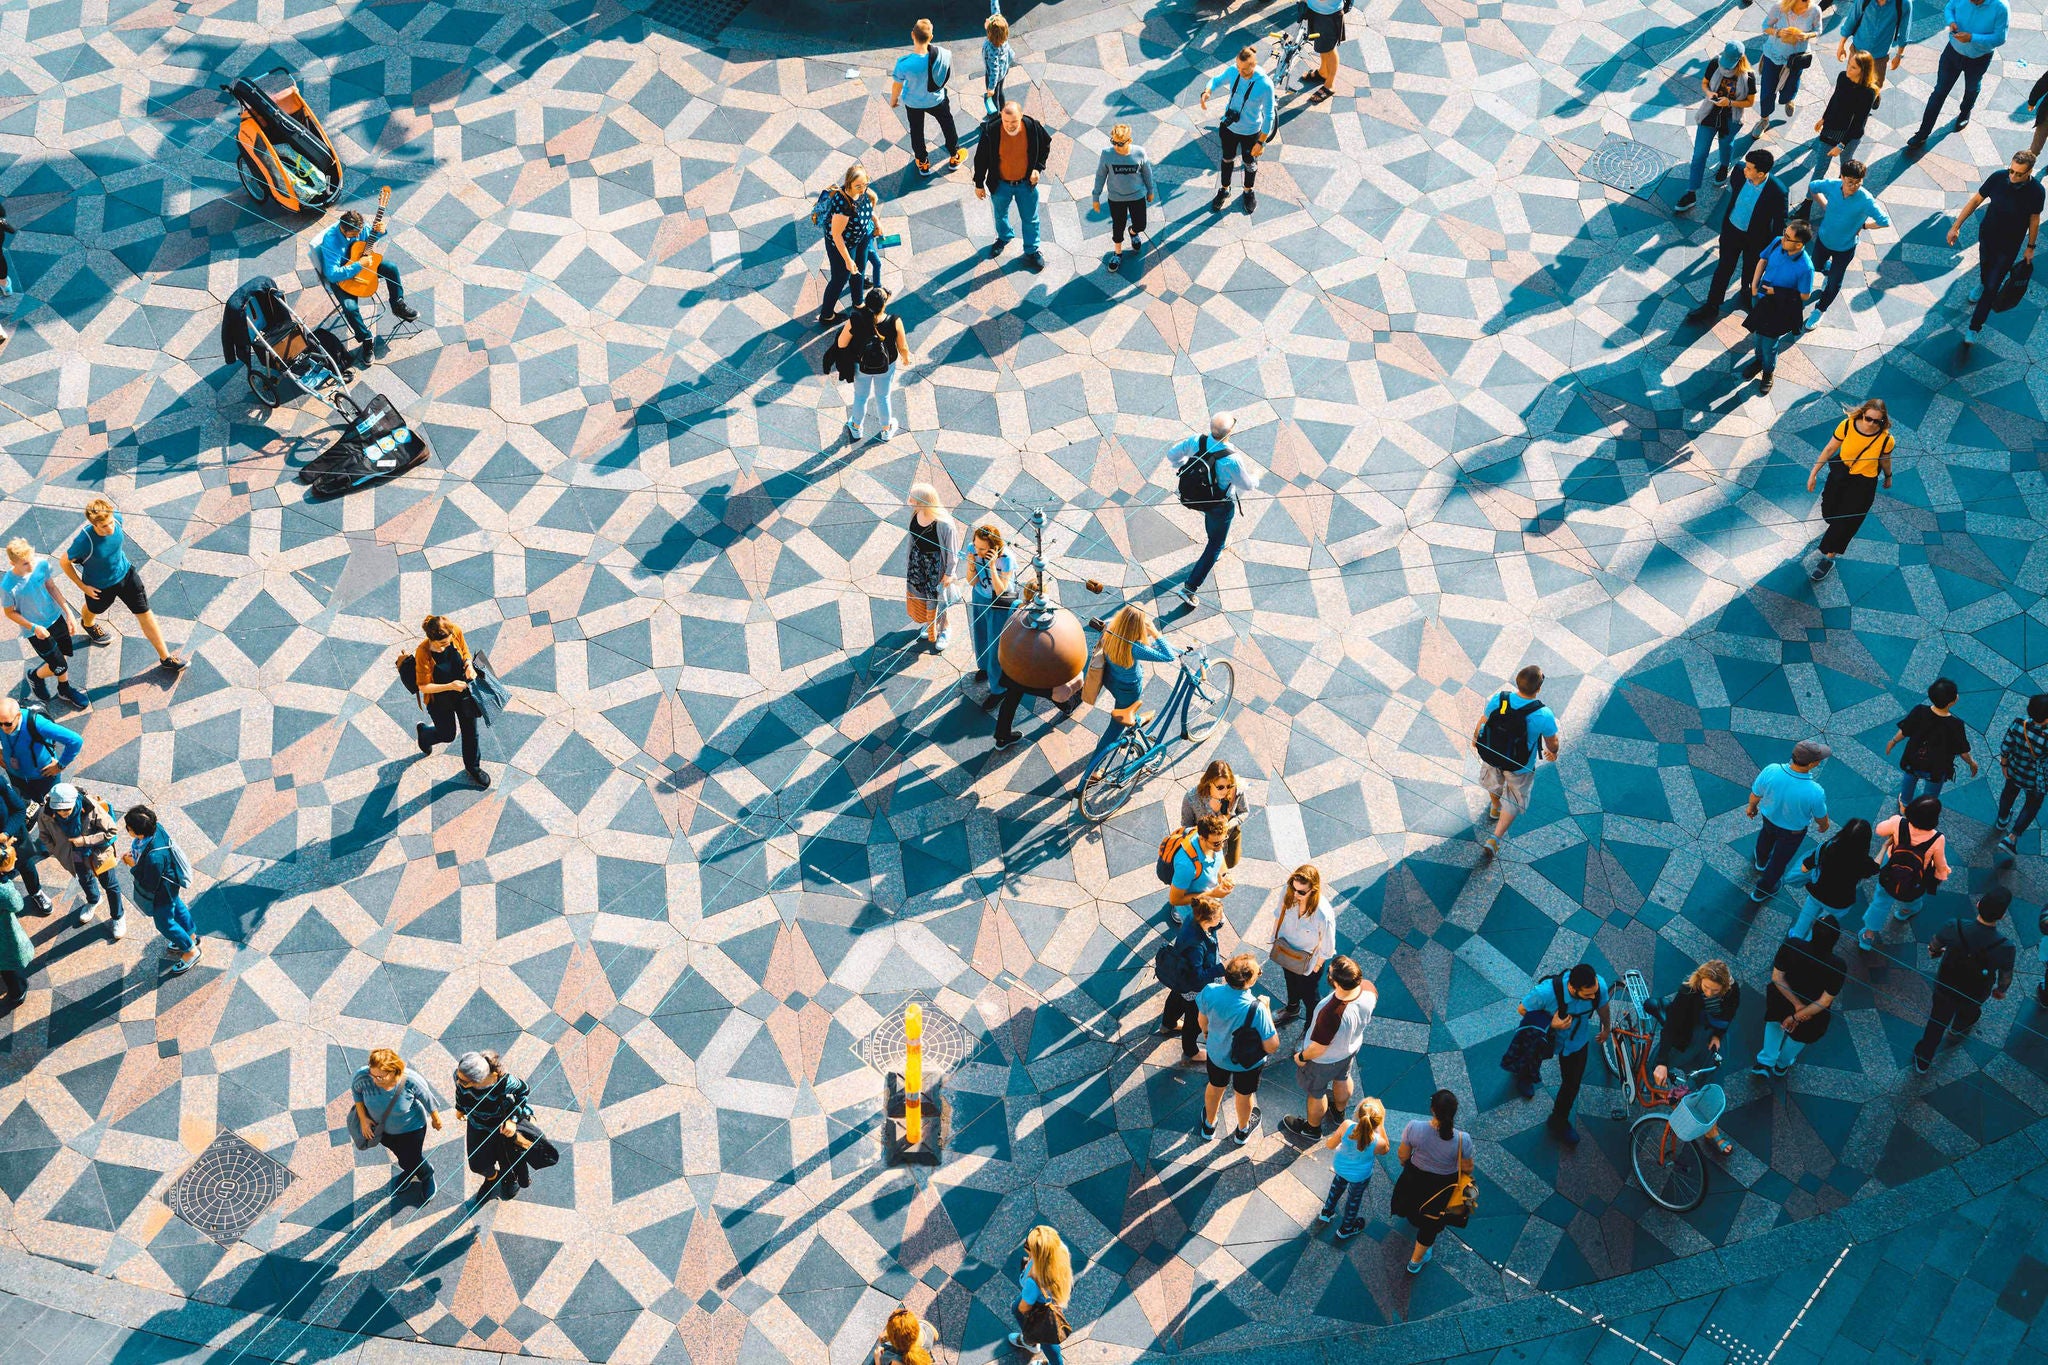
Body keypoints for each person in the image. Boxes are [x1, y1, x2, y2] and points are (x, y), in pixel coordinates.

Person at [57, 498, 185, 671]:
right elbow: (64, 562)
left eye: (110, 523)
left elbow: (114, 530)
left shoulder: (117, 518)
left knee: (145, 613)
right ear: (93, 524)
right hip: (99, 586)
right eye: (104, 526)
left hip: (126, 574)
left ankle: (166, 658)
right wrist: (82, 586)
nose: (110, 528)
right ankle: (88, 624)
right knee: (93, 610)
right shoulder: (84, 541)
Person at [1159, 414, 1263, 609]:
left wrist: (1185, 467)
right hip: (1219, 504)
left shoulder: (1196, 440)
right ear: (1230, 432)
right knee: (1215, 545)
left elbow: (1172, 455)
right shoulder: (1232, 459)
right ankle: (1189, 588)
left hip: (1196, 498)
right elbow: (1247, 485)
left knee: (1212, 523)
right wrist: (1256, 476)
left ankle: (1215, 542)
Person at [1912, 888, 2016, 1073]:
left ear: (1978, 905)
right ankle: (1959, 1027)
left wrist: (1935, 952)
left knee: (1936, 1022)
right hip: (1976, 991)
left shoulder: (1955, 926)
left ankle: (1924, 1058)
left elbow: (1934, 946)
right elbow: (2005, 976)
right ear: (2001, 916)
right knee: (1969, 1010)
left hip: (1946, 985)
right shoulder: (2005, 947)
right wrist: (2000, 990)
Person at [1947, 151, 2042, 346]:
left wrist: (2030, 246)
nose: (2013, 176)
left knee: (1993, 287)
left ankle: (1974, 327)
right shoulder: (1998, 177)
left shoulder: (2037, 191)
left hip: (2009, 245)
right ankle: (1982, 282)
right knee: (1985, 267)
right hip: (1988, 236)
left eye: (2019, 174)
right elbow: (1976, 200)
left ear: (2030, 171)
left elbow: (2034, 219)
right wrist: (1956, 226)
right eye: (2011, 170)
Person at [1648, 961, 1739, 1156]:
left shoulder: (1732, 990)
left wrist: (1717, 1036)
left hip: (1709, 1039)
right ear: (1700, 979)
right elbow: (1671, 1028)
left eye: (1716, 990)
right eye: (1706, 988)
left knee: (1711, 1082)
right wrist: (1662, 1062)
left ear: (1725, 987)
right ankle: (1673, 1096)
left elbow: (1729, 1013)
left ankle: (1711, 1130)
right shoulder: (1687, 991)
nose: (1709, 993)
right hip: (1686, 1038)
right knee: (1655, 1069)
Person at [1688, 150, 1789, 325]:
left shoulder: (1777, 191)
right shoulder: (1738, 172)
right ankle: (1712, 306)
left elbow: (1780, 222)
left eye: (1749, 168)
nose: (1744, 169)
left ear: (1761, 173)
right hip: (1732, 231)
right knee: (1723, 269)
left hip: (1756, 238)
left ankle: (1745, 292)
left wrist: (1775, 249)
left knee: (1750, 269)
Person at [1281, 956, 1375, 1140]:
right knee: (1343, 1077)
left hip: (1323, 1061)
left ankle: (1312, 1129)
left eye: (1330, 972)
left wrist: (1302, 1057)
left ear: (1336, 982)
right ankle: (1339, 1113)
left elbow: (1318, 1048)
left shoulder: (1331, 1012)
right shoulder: (1369, 988)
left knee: (1316, 1093)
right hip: (1350, 1049)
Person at [1516, 962, 1610, 1144]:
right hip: (1546, 1035)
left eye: (1595, 991)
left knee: (1572, 1083)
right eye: (1587, 994)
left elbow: (1603, 1006)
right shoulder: (1546, 992)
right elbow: (1522, 1009)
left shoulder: (1599, 986)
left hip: (1577, 1040)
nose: (1593, 997)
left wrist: (1607, 1027)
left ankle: (1558, 1121)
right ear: (1572, 987)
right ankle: (1524, 1075)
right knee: (1532, 1056)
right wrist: (1552, 1023)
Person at [1471, 663, 1560, 855]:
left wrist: (1475, 740)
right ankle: (1494, 839)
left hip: (1492, 754)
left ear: (1517, 682)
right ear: (1539, 688)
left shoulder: (1500, 699)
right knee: (1513, 799)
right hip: (1519, 765)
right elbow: (1552, 741)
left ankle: (1495, 807)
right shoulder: (1544, 714)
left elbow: (1482, 722)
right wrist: (1554, 752)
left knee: (1493, 782)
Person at [1806, 397, 1894, 579]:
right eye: (1868, 419)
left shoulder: (1886, 439)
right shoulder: (1847, 425)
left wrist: (1888, 476)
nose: (1871, 424)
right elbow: (1830, 449)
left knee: (1845, 523)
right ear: (1862, 414)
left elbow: (1885, 460)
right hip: (1841, 475)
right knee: (1829, 512)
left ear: (1883, 421)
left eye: (1877, 421)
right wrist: (1813, 473)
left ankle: (1828, 558)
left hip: (1863, 484)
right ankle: (1834, 532)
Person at [1196, 952, 1279, 1143]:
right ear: (1248, 981)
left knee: (1215, 1087)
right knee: (1244, 1094)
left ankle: (1209, 1125)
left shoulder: (1210, 991)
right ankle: (1242, 1130)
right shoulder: (1256, 1008)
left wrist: (1207, 1034)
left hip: (1217, 1055)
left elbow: (1203, 1019)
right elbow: (1272, 1046)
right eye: (1259, 973)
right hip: (1247, 1063)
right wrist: (1266, 1009)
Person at [313, 210, 417, 361]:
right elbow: (332, 274)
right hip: (344, 279)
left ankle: (397, 304)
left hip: (364, 267)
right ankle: (366, 339)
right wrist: (358, 265)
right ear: (343, 229)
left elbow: (370, 237)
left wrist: (381, 231)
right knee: (350, 308)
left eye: (359, 232)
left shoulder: (359, 228)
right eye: (354, 234)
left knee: (391, 268)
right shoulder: (331, 241)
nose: (357, 236)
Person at [1906, 0, 2010, 149]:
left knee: (1972, 88)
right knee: (1939, 92)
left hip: (1978, 58)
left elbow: (2000, 38)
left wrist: (1972, 37)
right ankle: (1922, 133)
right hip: (1952, 52)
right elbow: (1949, 7)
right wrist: (1951, 21)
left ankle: (1965, 111)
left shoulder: (2001, 7)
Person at [1390, 1089, 1473, 1275]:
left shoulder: (1414, 1128)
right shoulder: (1463, 1139)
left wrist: (1408, 1166)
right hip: (1443, 1186)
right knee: (1431, 1224)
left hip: (1414, 1177)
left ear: (1432, 1109)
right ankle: (1415, 1262)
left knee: (1412, 1204)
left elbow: (1403, 1155)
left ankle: (1413, 1217)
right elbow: (1467, 1168)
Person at [1753, 912, 1847, 1076]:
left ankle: (1765, 1062)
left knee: (1775, 1024)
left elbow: (1777, 978)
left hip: (1781, 999)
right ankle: (1781, 1066)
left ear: (1813, 930)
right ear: (1835, 939)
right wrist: (1798, 1016)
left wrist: (1796, 1005)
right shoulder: (1838, 965)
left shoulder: (1793, 945)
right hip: (1812, 1014)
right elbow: (1824, 1002)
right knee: (1798, 1039)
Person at [1, 538, 90, 710]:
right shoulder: (7, 586)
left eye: (32, 559)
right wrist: (34, 627)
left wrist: (69, 612)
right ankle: (35, 676)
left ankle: (63, 689)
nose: (31, 566)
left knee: (63, 655)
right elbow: (9, 612)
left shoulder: (41, 565)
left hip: (56, 618)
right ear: (13, 563)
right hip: (36, 631)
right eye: (25, 564)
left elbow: (51, 587)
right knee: (60, 665)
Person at [1080, 603, 1176, 763]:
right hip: (1129, 689)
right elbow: (1168, 656)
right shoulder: (1135, 648)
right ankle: (1094, 769)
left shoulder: (1110, 629)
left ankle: (1136, 720)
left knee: (1124, 712)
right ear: (1138, 627)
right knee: (1115, 728)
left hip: (1110, 678)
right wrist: (1154, 631)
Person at [1745, 739, 1833, 902]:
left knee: (1765, 837)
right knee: (1779, 861)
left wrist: (1751, 808)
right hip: (1793, 832)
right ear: (1812, 764)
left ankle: (1761, 861)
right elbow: (1821, 816)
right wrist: (1824, 825)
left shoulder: (1771, 770)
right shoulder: (1815, 791)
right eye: (1819, 759)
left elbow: (1756, 794)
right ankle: (1761, 891)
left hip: (1769, 819)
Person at [351, 1048, 443, 1198]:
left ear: (394, 1071)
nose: (374, 1080)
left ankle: (427, 1174)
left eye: (380, 1077)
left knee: (411, 1157)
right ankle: (410, 1170)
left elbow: (427, 1098)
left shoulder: (410, 1080)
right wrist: (363, 1119)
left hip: (411, 1129)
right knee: (401, 1154)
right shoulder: (363, 1076)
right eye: (372, 1075)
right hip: (382, 1130)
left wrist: (436, 1119)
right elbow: (356, 1091)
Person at [1678, 42, 1759, 213]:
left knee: (1726, 144)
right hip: (1710, 113)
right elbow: (1705, 83)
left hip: (1731, 116)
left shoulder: (1748, 76)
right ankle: (1691, 193)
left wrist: (1730, 102)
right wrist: (1709, 94)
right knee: (1699, 153)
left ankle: (1724, 166)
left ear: (1739, 60)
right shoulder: (1715, 63)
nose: (1725, 66)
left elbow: (1750, 102)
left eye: (1729, 63)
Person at [413, 615, 490, 790]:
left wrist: (469, 664)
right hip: (440, 699)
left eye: (448, 642)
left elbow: (465, 651)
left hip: (462, 692)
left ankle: (473, 767)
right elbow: (424, 686)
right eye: (442, 644)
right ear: (431, 639)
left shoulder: (455, 631)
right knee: (447, 734)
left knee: (471, 732)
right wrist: (449, 686)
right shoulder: (423, 652)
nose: (446, 645)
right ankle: (425, 734)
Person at [973, 101, 1051, 273]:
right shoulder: (991, 130)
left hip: (1026, 184)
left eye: (1013, 121)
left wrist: (1038, 168)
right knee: (1000, 214)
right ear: (1001, 116)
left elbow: (1045, 145)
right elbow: (981, 158)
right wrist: (979, 183)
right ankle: (1004, 237)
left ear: (1021, 117)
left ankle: (1031, 250)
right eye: (1006, 121)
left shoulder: (1032, 127)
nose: (1009, 125)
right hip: (1001, 184)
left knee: (1031, 219)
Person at [1862, 796, 1949, 949]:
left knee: (1880, 901)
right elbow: (1940, 863)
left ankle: (1868, 936)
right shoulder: (1937, 838)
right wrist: (1942, 874)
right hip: (1916, 878)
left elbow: (1880, 829)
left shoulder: (1898, 823)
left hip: (1891, 867)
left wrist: (1896, 818)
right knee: (1913, 898)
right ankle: (1906, 911)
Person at [42, 784, 125, 940]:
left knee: (111, 885)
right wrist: (57, 849)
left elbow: (111, 831)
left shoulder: (91, 808)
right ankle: (94, 900)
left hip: (98, 854)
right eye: (58, 810)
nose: (62, 813)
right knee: (84, 879)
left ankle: (118, 917)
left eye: (66, 809)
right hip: (75, 855)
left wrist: (85, 841)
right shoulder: (47, 813)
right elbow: (44, 835)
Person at [122, 804, 198, 972]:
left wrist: (133, 865)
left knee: (164, 924)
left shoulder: (154, 858)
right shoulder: (157, 829)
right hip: (171, 883)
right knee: (177, 906)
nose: (127, 830)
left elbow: (149, 883)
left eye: (128, 828)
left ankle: (190, 950)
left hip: (162, 891)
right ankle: (191, 935)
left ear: (138, 832)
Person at [1200, 47, 1276, 215]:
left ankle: (1248, 191)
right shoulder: (1234, 71)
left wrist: (1261, 141)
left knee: (1250, 163)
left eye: (1245, 69)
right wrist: (1207, 91)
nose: (1240, 72)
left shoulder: (1265, 84)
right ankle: (1224, 189)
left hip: (1251, 132)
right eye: (1238, 67)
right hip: (1229, 127)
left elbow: (1269, 115)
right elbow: (1216, 80)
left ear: (1254, 64)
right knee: (1227, 159)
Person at [1742, 220, 1815, 394]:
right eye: (1785, 233)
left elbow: (1805, 295)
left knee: (1770, 343)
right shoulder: (1777, 242)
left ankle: (1768, 372)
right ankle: (1758, 361)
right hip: (1759, 298)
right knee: (1758, 335)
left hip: (1778, 308)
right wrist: (1753, 286)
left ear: (1798, 244)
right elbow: (1763, 260)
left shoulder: (1806, 268)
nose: (1783, 238)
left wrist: (1777, 292)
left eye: (1787, 237)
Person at [453, 1049, 537, 1199]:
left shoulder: (504, 1082)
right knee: (477, 1164)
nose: (458, 1081)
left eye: (464, 1081)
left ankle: (510, 1180)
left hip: (502, 1128)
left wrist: (513, 1120)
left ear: (478, 1079)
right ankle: (492, 1178)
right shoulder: (461, 1076)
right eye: (458, 1077)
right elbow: (459, 1091)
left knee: (508, 1160)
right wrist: (459, 1108)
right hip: (476, 1125)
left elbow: (524, 1091)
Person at [833, 288, 913, 443]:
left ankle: (856, 427)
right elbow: (902, 346)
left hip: (861, 366)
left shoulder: (855, 319)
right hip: (886, 366)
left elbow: (841, 343)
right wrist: (905, 358)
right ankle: (886, 430)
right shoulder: (894, 320)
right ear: (883, 305)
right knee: (883, 396)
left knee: (860, 396)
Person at [890, 20, 968, 177]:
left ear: (912, 35)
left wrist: (894, 100)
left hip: (913, 103)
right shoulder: (944, 54)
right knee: (947, 123)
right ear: (931, 36)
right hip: (936, 99)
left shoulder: (904, 64)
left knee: (917, 130)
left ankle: (923, 162)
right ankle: (954, 155)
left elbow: (897, 85)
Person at [1886, 677, 1977, 809]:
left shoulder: (1919, 711)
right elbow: (1963, 752)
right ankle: (1924, 809)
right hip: (1936, 767)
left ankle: (1904, 804)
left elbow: (1905, 731)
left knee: (1909, 780)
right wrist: (1972, 763)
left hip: (1913, 760)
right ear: (1953, 701)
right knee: (1931, 792)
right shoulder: (1955, 725)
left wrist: (1893, 741)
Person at [1159, 893, 1226, 1063]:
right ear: (1208, 920)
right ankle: (1191, 1051)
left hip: (1180, 979)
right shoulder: (1197, 946)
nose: (1221, 919)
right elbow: (1197, 978)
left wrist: (1216, 924)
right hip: (1195, 988)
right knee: (1194, 1020)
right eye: (1218, 917)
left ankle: (1168, 1024)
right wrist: (1220, 969)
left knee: (1176, 999)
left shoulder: (1191, 917)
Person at [1265, 864, 1335, 1026]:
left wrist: (1315, 967)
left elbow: (1328, 947)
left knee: (1310, 996)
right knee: (1290, 981)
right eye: (1293, 888)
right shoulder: (1288, 892)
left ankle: (1309, 1027)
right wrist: (1274, 938)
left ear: (1314, 890)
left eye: (1302, 892)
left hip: (1308, 961)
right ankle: (1292, 1009)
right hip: (1286, 950)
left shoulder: (1323, 915)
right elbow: (1278, 914)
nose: (1296, 894)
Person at [1790, 817, 1880, 940]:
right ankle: (1810, 941)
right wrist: (1885, 847)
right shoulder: (1863, 862)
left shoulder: (1828, 847)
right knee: (1825, 923)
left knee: (1806, 914)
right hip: (1839, 902)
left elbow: (1804, 868)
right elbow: (1875, 868)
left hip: (1816, 892)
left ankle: (1796, 935)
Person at [1315, 1095, 1387, 1242]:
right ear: (1377, 1123)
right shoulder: (1377, 1141)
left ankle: (1326, 1212)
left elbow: (1330, 1145)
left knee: (1336, 1189)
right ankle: (1346, 1229)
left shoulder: (1347, 1125)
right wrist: (1381, 1126)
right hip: (1360, 1176)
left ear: (1359, 1115)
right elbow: (1386, 1148)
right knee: (1353, 1200)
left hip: (1340, 1168)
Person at [817, 164, 880, 328]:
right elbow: (837, 235)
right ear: (848, 184)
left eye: (865, 184)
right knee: (840, 278)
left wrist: (876, 222)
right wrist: (847, 259)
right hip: (843, 244)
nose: (862, 188)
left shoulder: (864, 192)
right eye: (858, 186)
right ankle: (827, 315)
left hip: (861, 237)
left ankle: (858, 302)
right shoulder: (842, 205)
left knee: (860, 267)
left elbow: (867, 207)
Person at [903, 485, 961, 654]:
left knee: (937, 598)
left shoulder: (944, 524)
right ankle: (931, 624)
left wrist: (949, 573)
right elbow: (912, 538)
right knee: (921, 595)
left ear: (925, 502)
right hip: (918, 562)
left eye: (914, 500)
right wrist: (910, 561)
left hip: (936, 565)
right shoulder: (916, 513)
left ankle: (944, 629)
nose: (911, 503)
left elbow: (952, 551)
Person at [1091, 124, 1156, 272]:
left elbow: (1147, 173)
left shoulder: (1139, 153)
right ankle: (1117, 253)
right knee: (1117, 226)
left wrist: (1150, 190)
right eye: (1113, 142)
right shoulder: (1107, 154)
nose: (1116, 146)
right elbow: (1100, 175)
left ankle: (1133, 232)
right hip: (1116, 198)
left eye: (1120, 143)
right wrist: (1096, 197)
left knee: (1141, 225)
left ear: (1129, 140)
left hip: (1137, 196)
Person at [1006, 1225, 1074, 1362]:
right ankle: (1029, 1340)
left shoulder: (1034, 1279)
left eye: (1028, 1244)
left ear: (1037, 1254)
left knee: (1046, 1338)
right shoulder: (1060, 1252)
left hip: (1039, 1305)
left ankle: (1032, 1342)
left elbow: (1024, 1307)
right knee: (1015, 1309)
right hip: (1051, 1298)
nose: (1025, 1244)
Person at [1755, 0, 1825, 129]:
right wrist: (1778, 32)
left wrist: (1807, 35)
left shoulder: (1815, 10)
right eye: (1803, 1)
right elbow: (1765, 26)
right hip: (1774, 54)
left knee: (1792, 85)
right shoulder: (1779, 8)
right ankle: (1764, 119)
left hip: (1797, 58)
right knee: (1767, 89)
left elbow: (1818, 30)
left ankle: (1788, 98)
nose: (1807, 4)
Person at [1994, 693, 2048, 853]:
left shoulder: (2019, 723)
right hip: (2036, 780)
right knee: (2032, 805)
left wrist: (2004, 766)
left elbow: (2005, 747)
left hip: (2014, 770)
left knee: (2008, 794)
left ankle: (2002, 820)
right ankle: (2012, 838)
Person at [0, 697, 82, 801]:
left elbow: (75, 740)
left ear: (18, 716)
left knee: (49, 803)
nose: (3, 728)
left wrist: (60, 765)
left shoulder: (38, 724)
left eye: (7, 724)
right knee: (23, 798)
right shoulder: (3, 719)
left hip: (43, 776)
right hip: (15, 774)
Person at [1811, 54, 1881, 171]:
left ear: (1863, 71)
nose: (1848, 69)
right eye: (1849, 65)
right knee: (1819, 169)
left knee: (1846, 168)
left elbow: (1858, 122)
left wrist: (1841, 145)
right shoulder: (1843, 77)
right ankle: (1812, 190)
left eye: (1853, 68)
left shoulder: (1868, 92)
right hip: (1831, 129)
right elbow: (1835, 99)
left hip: (1850, 135)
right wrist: (1824, 118)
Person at [968, 524, 1016, 691]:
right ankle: (985, 667)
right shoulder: (972, 550)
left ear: (994, 548)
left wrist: (992, 566)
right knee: (980, 634)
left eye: (982, 548)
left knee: (996, 644)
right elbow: (972, 582)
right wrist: (971, 563)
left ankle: (998, 689)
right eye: (975, 545)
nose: (977, 550)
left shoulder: (1007, 559)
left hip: (998, 603)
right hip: (980, 597)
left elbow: (1001, 590)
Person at [1179, 760, 1248, 868]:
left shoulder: (1236, 791)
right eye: (1220, 787)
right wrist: (1205, 832)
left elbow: (1244, 811)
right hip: (1205, 845)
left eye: (1228, 786)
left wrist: (1229, 824)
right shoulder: (1192, 798)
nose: (1225, 791)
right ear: (1209, 782)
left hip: (1229, 839)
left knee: (1230, 863)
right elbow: (1186, 826)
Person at [1164, 813, 1232, 921]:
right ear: (1202, 838)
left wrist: (1225, 875)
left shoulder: (1215, 840)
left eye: (1224, 840)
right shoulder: (1186, 865)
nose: (1221, 846)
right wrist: (1211, 894)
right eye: (1216, 843)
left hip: (1211, 899)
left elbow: (1219, 858)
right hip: (1194, 912)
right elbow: (1175, 899)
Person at [1835, 0, 1910, 99]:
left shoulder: (1903, 3)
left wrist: (1898, 55)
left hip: (1879, 57)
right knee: (1851, 86)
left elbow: (1904, 31)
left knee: (1872, 90)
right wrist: (1841, 44)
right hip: (1857, 51)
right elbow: (1852, 18)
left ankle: (1873, 98)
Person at [0, 772, 50, 916]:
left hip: (15, 837)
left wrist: (6, 834)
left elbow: (19, 809)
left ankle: (36, 891)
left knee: (26, 865)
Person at [1298, 0, 1353, 104]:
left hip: (1329, 14)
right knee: (1324, 46)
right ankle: (1323, 72)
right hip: (1318, 10)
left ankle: (1329, 85)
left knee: (1330, 49)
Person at [0, 838, 32, 1009]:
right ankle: (17, 992)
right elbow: (17, 905)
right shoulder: (4, 891)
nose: (16, 861)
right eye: (12, 861)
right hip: (4, 932)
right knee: (9, 963)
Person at [982, 13, 1014, 116]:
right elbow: (996, 12)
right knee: (1000, 91)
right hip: (1003, 70)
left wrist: (991, 88)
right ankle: (1004, 111)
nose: (988, 20)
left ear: (990, 33)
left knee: (994, 96)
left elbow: (994, 71)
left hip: (994, 76)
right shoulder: (1003, 38)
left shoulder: (992, 49)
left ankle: (996, 118)